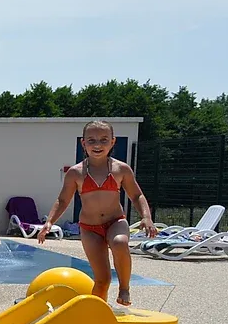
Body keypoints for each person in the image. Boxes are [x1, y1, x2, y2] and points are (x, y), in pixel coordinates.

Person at [40, 120, 156, 305]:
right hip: (89, 228)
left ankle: (124, 288)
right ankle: (95, 314)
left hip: (115, 221)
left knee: (119, 243)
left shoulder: (121, 169)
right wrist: (49, 222)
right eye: (92, 140)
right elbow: (63, 200)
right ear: (83, 143)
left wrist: (146, 217)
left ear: (113, 142)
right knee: (102, 280)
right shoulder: (75, 173)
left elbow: (137, 195)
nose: (97, 145)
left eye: (103, 140)